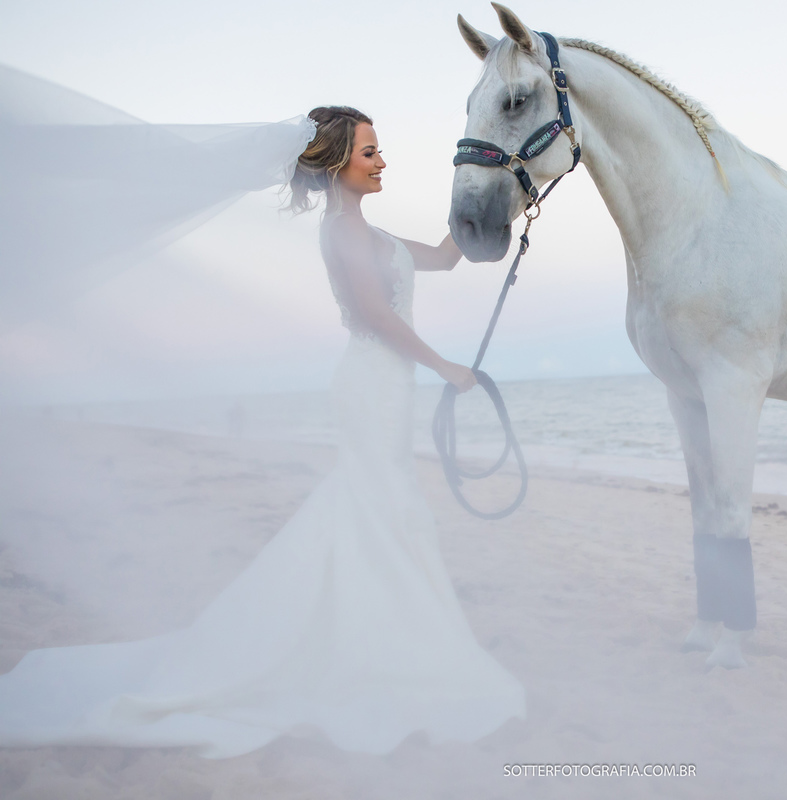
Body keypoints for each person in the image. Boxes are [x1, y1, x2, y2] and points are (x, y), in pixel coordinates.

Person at [0, 106, 525, 758]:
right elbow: (373, 314)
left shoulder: (371, 233)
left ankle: (379, 636)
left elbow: (445, 259)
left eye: (378, 151)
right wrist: (446, 366)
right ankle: (381, 644)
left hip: (388, 389)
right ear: (335, 163)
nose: (381, 161)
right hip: (369, 386)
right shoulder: (341, 231)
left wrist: (494, 197)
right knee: (378, 508)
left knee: (377, 509)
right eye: (369, 153)